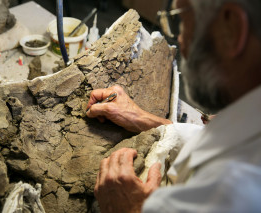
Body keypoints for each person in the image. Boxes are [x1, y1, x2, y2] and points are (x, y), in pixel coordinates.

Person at [86, 0, 261, 212]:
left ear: (231, 29)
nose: (180, 39)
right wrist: (144, 119)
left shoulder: (235, 188)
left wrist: (132, 208)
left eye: (183, 21)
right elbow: (217, 139)